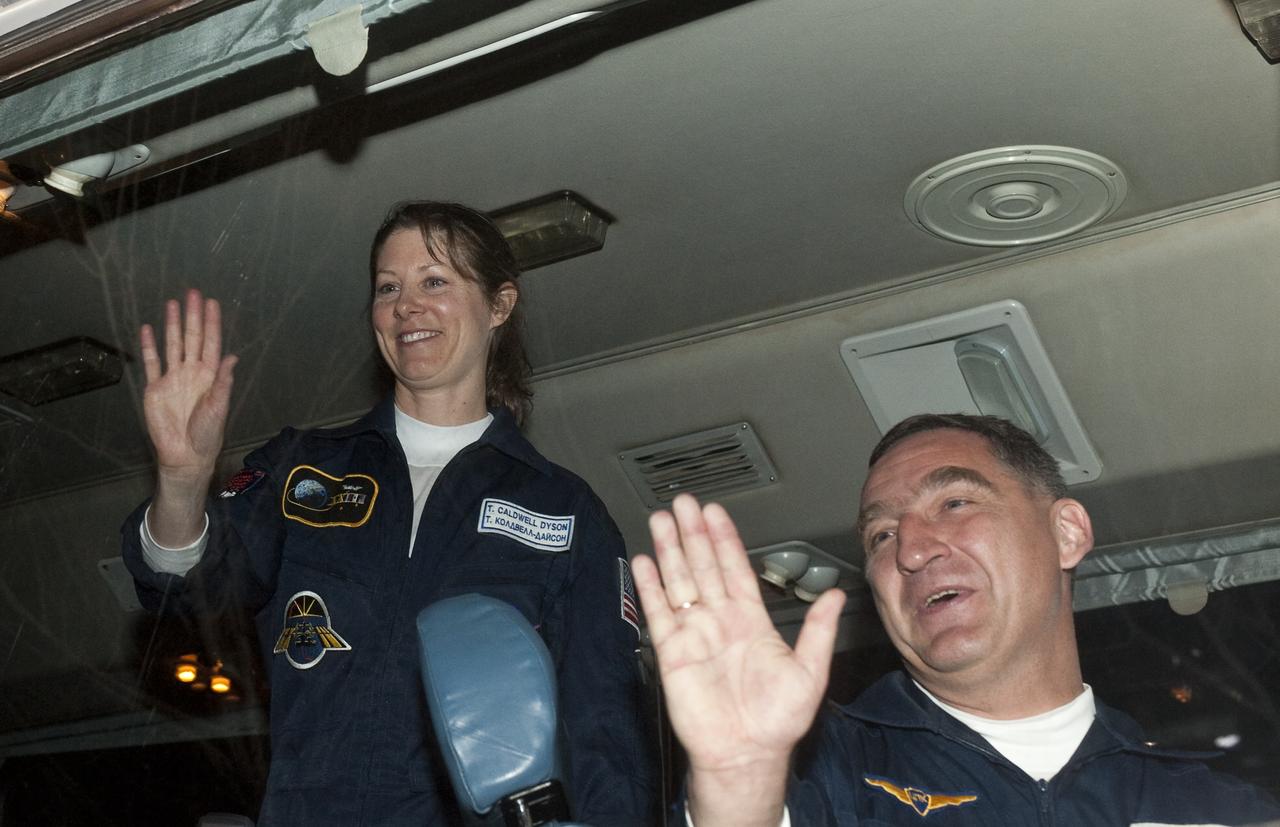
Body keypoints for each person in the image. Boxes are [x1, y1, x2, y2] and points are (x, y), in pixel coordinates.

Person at [121, 201, 656, 826]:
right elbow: (188, 588)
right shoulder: (302, 468)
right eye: (387, 288)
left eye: (435, 281)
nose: (406, 305)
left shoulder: (564, 512)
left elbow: (608, 739)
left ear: (499, 306)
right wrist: (183, 480)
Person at [633, 413, 1280, 826]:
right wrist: (740, 776)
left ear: (1066, 531)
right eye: (881, 535)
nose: (911, 549)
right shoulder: (827, 773)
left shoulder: (1212, 808)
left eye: (955, 501)